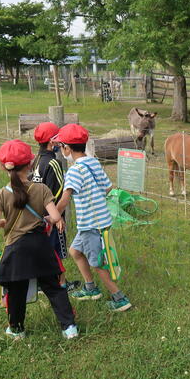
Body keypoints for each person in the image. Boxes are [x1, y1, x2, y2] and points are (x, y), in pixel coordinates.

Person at [0, 140, 78, 339]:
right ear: (30, 164)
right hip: (40, 247)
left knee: (16, 290)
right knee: (54, 287)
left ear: (3, 167)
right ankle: (69, 327)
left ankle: (17, 329)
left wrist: (5, 222)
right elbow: (55, 217)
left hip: (16, 249)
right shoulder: (42, 189)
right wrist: (44, 219)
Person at [54, 123, 132, 312]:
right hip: (99, 220)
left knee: (96, 262)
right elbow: (107, 187)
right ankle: (90, 288)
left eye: (60, 146)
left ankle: (119, 298)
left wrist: (52, 215)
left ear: (67, 148)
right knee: (75, 252)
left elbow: (65, 199)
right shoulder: (93, 162)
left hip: (91, 224)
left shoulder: (74, 171)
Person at [31, 122, 79, 291]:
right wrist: (57, 218)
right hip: (51, 217)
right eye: (57, 139)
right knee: (56, 252)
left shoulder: (36, 160)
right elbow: (58, 193)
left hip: (36, 216)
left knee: (43, 250)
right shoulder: (54, 163)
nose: (60, 143)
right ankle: (61, 284)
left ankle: (40, 283)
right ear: (52, 142)